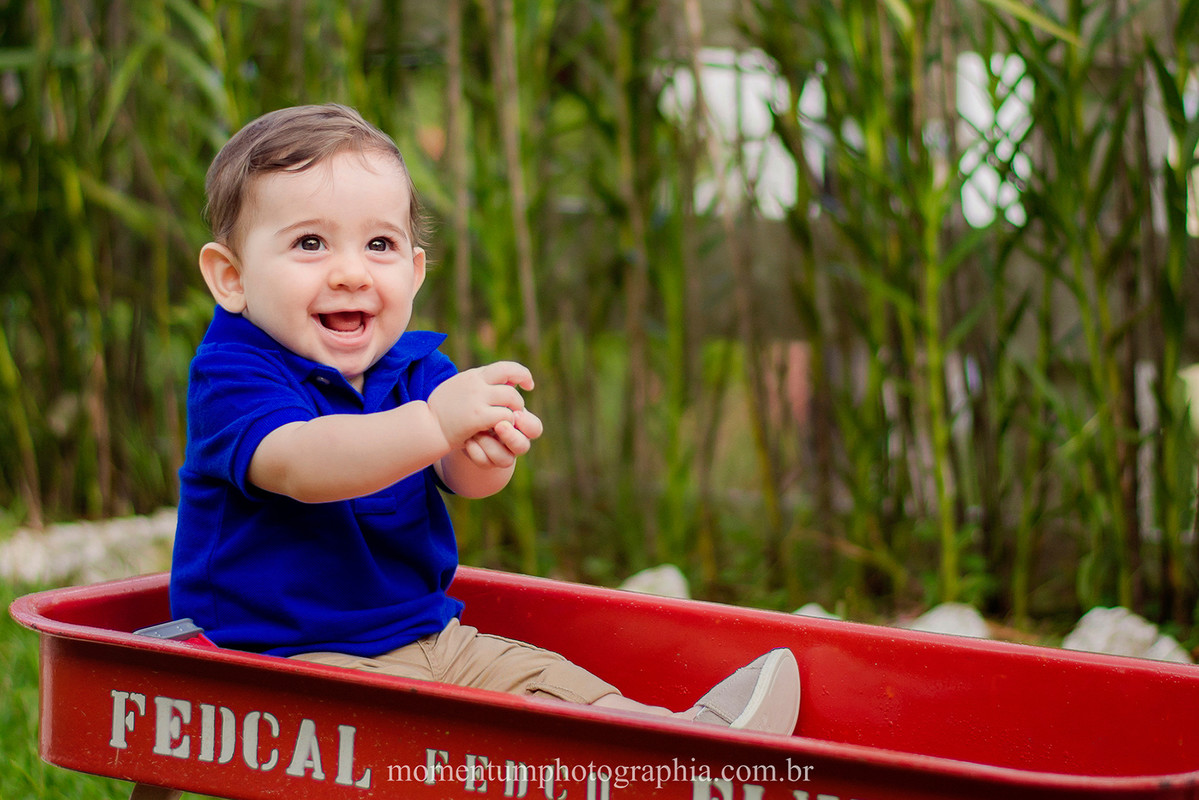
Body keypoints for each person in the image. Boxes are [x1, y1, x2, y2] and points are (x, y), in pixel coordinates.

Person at [169, 103, 800, 735]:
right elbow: (304, 464)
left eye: (379, 244)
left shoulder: (415, 367)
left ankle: (672, 738)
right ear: (232, 278)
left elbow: (461, 478)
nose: (351, 272)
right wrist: (437, 425)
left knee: (542, 679)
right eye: (310, 243)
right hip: (283, 661)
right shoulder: (235, 373)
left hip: (428, 634)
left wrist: (481, 452)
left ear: (413, 273)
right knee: (443, 731)